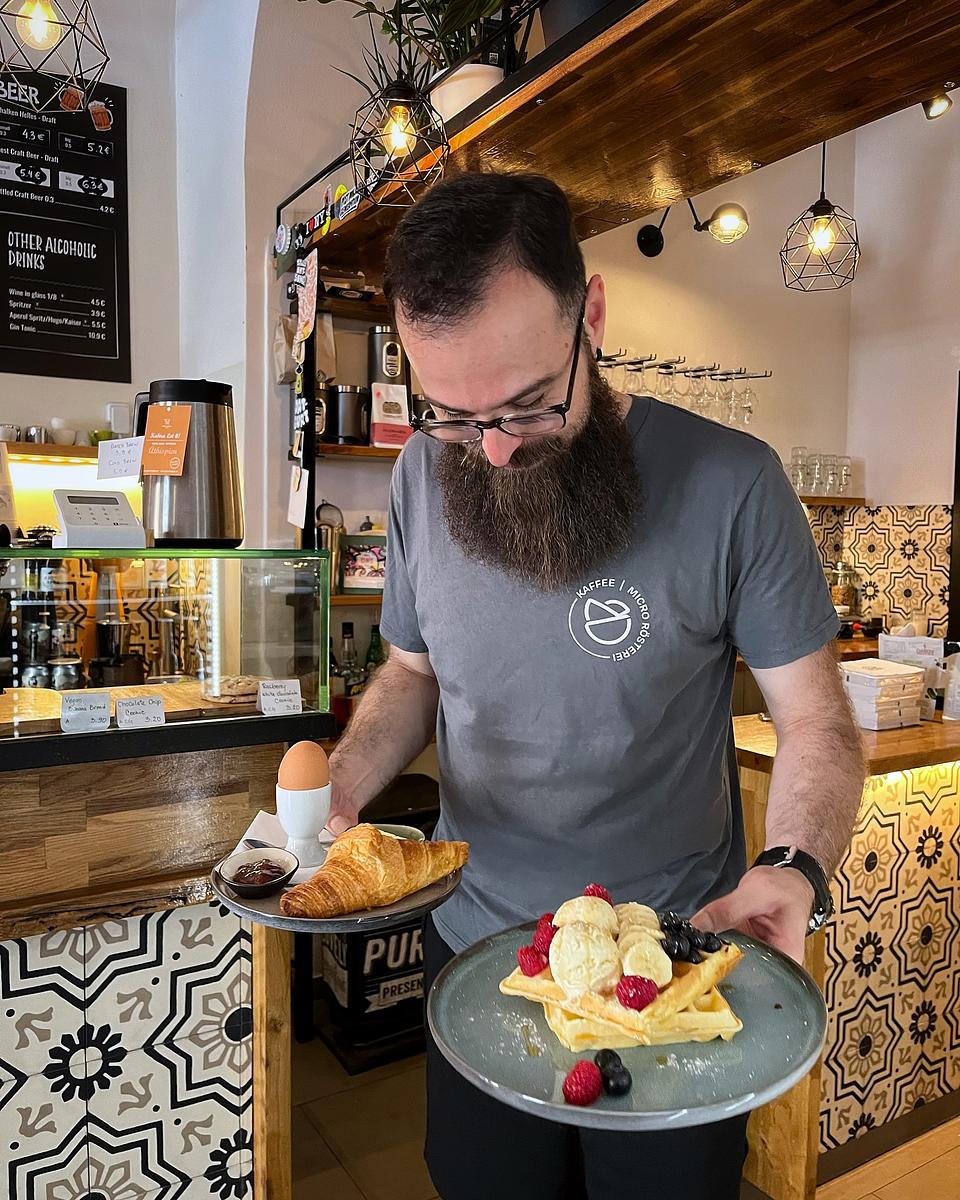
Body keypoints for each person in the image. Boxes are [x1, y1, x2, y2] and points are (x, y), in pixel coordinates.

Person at [327, 172, 865, 1200]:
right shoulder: (416, 480)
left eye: (528, 404)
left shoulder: (732, 483)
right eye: (451, 414)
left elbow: (817, 724)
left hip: (667, 962)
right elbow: (409, 673)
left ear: (594, 316)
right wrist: (342, 792)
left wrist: (793, 865)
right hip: (478, 957)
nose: (490, 448)